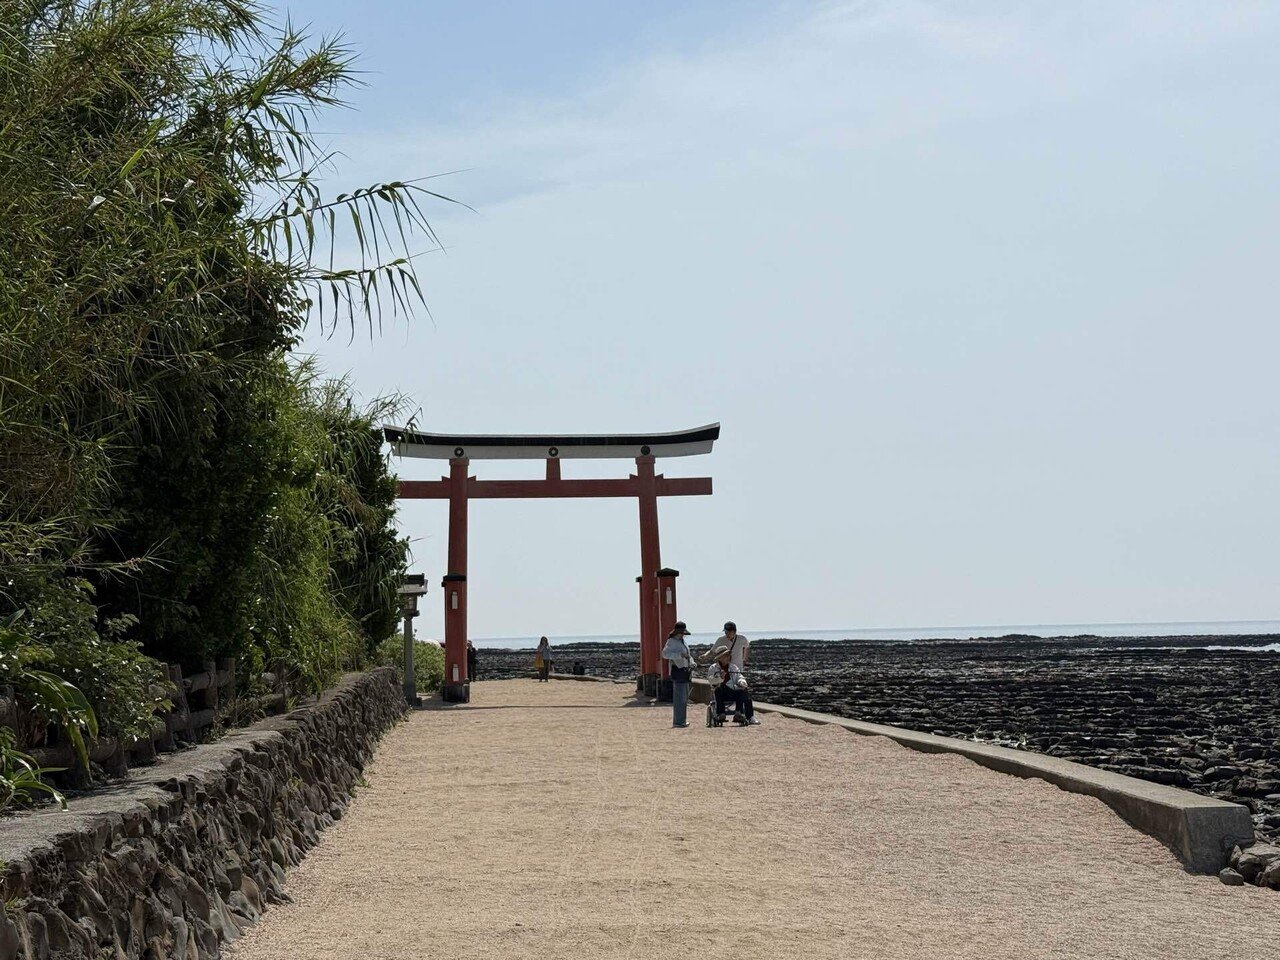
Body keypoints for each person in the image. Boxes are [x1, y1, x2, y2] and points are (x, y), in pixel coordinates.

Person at [705, 644, 759, 725]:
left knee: (744, 691)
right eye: (726, 655)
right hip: (720, 693)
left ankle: (746, 715)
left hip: (732, 691)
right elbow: (711, 680)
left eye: (728, 655)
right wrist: (720, 677)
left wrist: (742, 683)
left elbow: (739, 676)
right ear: (720, 657)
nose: (728, 657)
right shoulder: (713, 668)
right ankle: (721, 713)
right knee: (719, 687)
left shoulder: (733, 667)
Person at [660, 621, 694, 728]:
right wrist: (679, 655)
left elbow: (688, 655)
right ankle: (678, 721)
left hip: (685, 670)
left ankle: (682, 720)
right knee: (679, 697)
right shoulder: (671, 641)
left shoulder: (683, 642)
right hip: (677, 670)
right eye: (680, 633)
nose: (682, 635)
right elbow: (665, 654)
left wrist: (692, 663)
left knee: (684, 697)